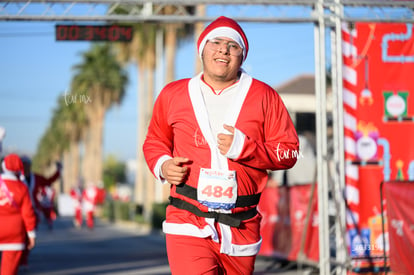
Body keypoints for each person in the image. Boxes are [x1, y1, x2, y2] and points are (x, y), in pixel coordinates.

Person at [143, 16, 299, 275]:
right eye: (215, 42)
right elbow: (155, 141)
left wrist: (246, 148)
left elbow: (290, 151)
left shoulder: (264, 96)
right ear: (202, 48)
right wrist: (163, 164)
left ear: (242, 56)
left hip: (242, 225)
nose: (223, 49)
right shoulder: (173, 94)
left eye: (232, 45)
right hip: (187, 218)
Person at [19, 156, 61, 268]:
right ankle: (21, 258)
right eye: (23, 164)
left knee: (30, 237)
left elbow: (48, 181)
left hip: (33, 212)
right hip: (19, 212)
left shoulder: (36, 178)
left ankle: (24, 259)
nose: (25, 167)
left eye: (27, 164)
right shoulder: (17, 178)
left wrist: (58, 171)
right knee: (20, 236)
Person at [0, 154, 37, 275]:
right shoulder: (22, 187)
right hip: (14, 233)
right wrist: (31, 234)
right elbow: (28, 213)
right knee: (8, 271)